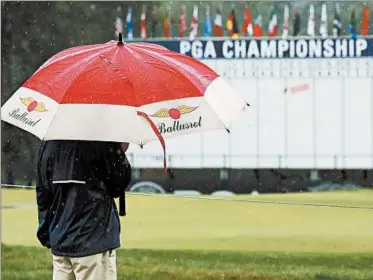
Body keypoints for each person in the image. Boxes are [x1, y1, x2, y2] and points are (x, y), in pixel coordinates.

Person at [36, 140, 132, 280]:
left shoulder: (48, 144)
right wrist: (119, 152)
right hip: (93, 240)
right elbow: (118, 185)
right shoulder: (100, 141)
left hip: (61, 241)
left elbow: (43, 193)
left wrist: (48, 235)